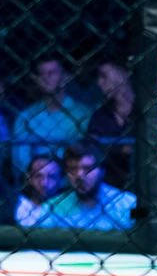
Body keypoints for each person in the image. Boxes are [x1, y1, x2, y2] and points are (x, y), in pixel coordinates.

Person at [11, 53, 91, 171]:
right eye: (41, 74)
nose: (45, 78)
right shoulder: (26, 116)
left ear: (66, 76)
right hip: (37, 177)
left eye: (52, 73)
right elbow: (20, 159)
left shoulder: (84, 113)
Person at [44, 143, 136, 231]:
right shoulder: (52, 207)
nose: (79, 175)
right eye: (73, 168)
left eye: (87, 168)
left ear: (102, 171)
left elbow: (142, 229)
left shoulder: (129, 203)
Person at [86, 58, 136, 188]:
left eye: (104, 75)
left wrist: (112, 147)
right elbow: (92, 146)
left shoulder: (147, 108)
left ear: (124, 73)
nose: (99, 82)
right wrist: (122, 149)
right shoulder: (101, 115)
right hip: (109, 183)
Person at [13, 153, 64, 228]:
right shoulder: (16, 205)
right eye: (38, 176)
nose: (44, 183)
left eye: (51, 177)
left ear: (61, 180)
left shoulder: (70, 208)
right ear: (29, 178)